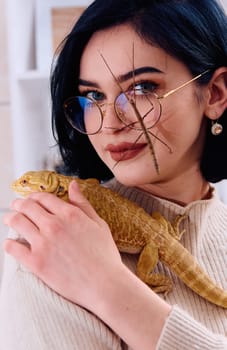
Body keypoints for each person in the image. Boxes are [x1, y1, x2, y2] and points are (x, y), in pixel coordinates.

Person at [1, 0, 227, 349]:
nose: (111, 122)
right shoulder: (48, 250)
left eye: (141, 88)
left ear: (215, 93)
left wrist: (110, 288)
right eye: (93, 95)